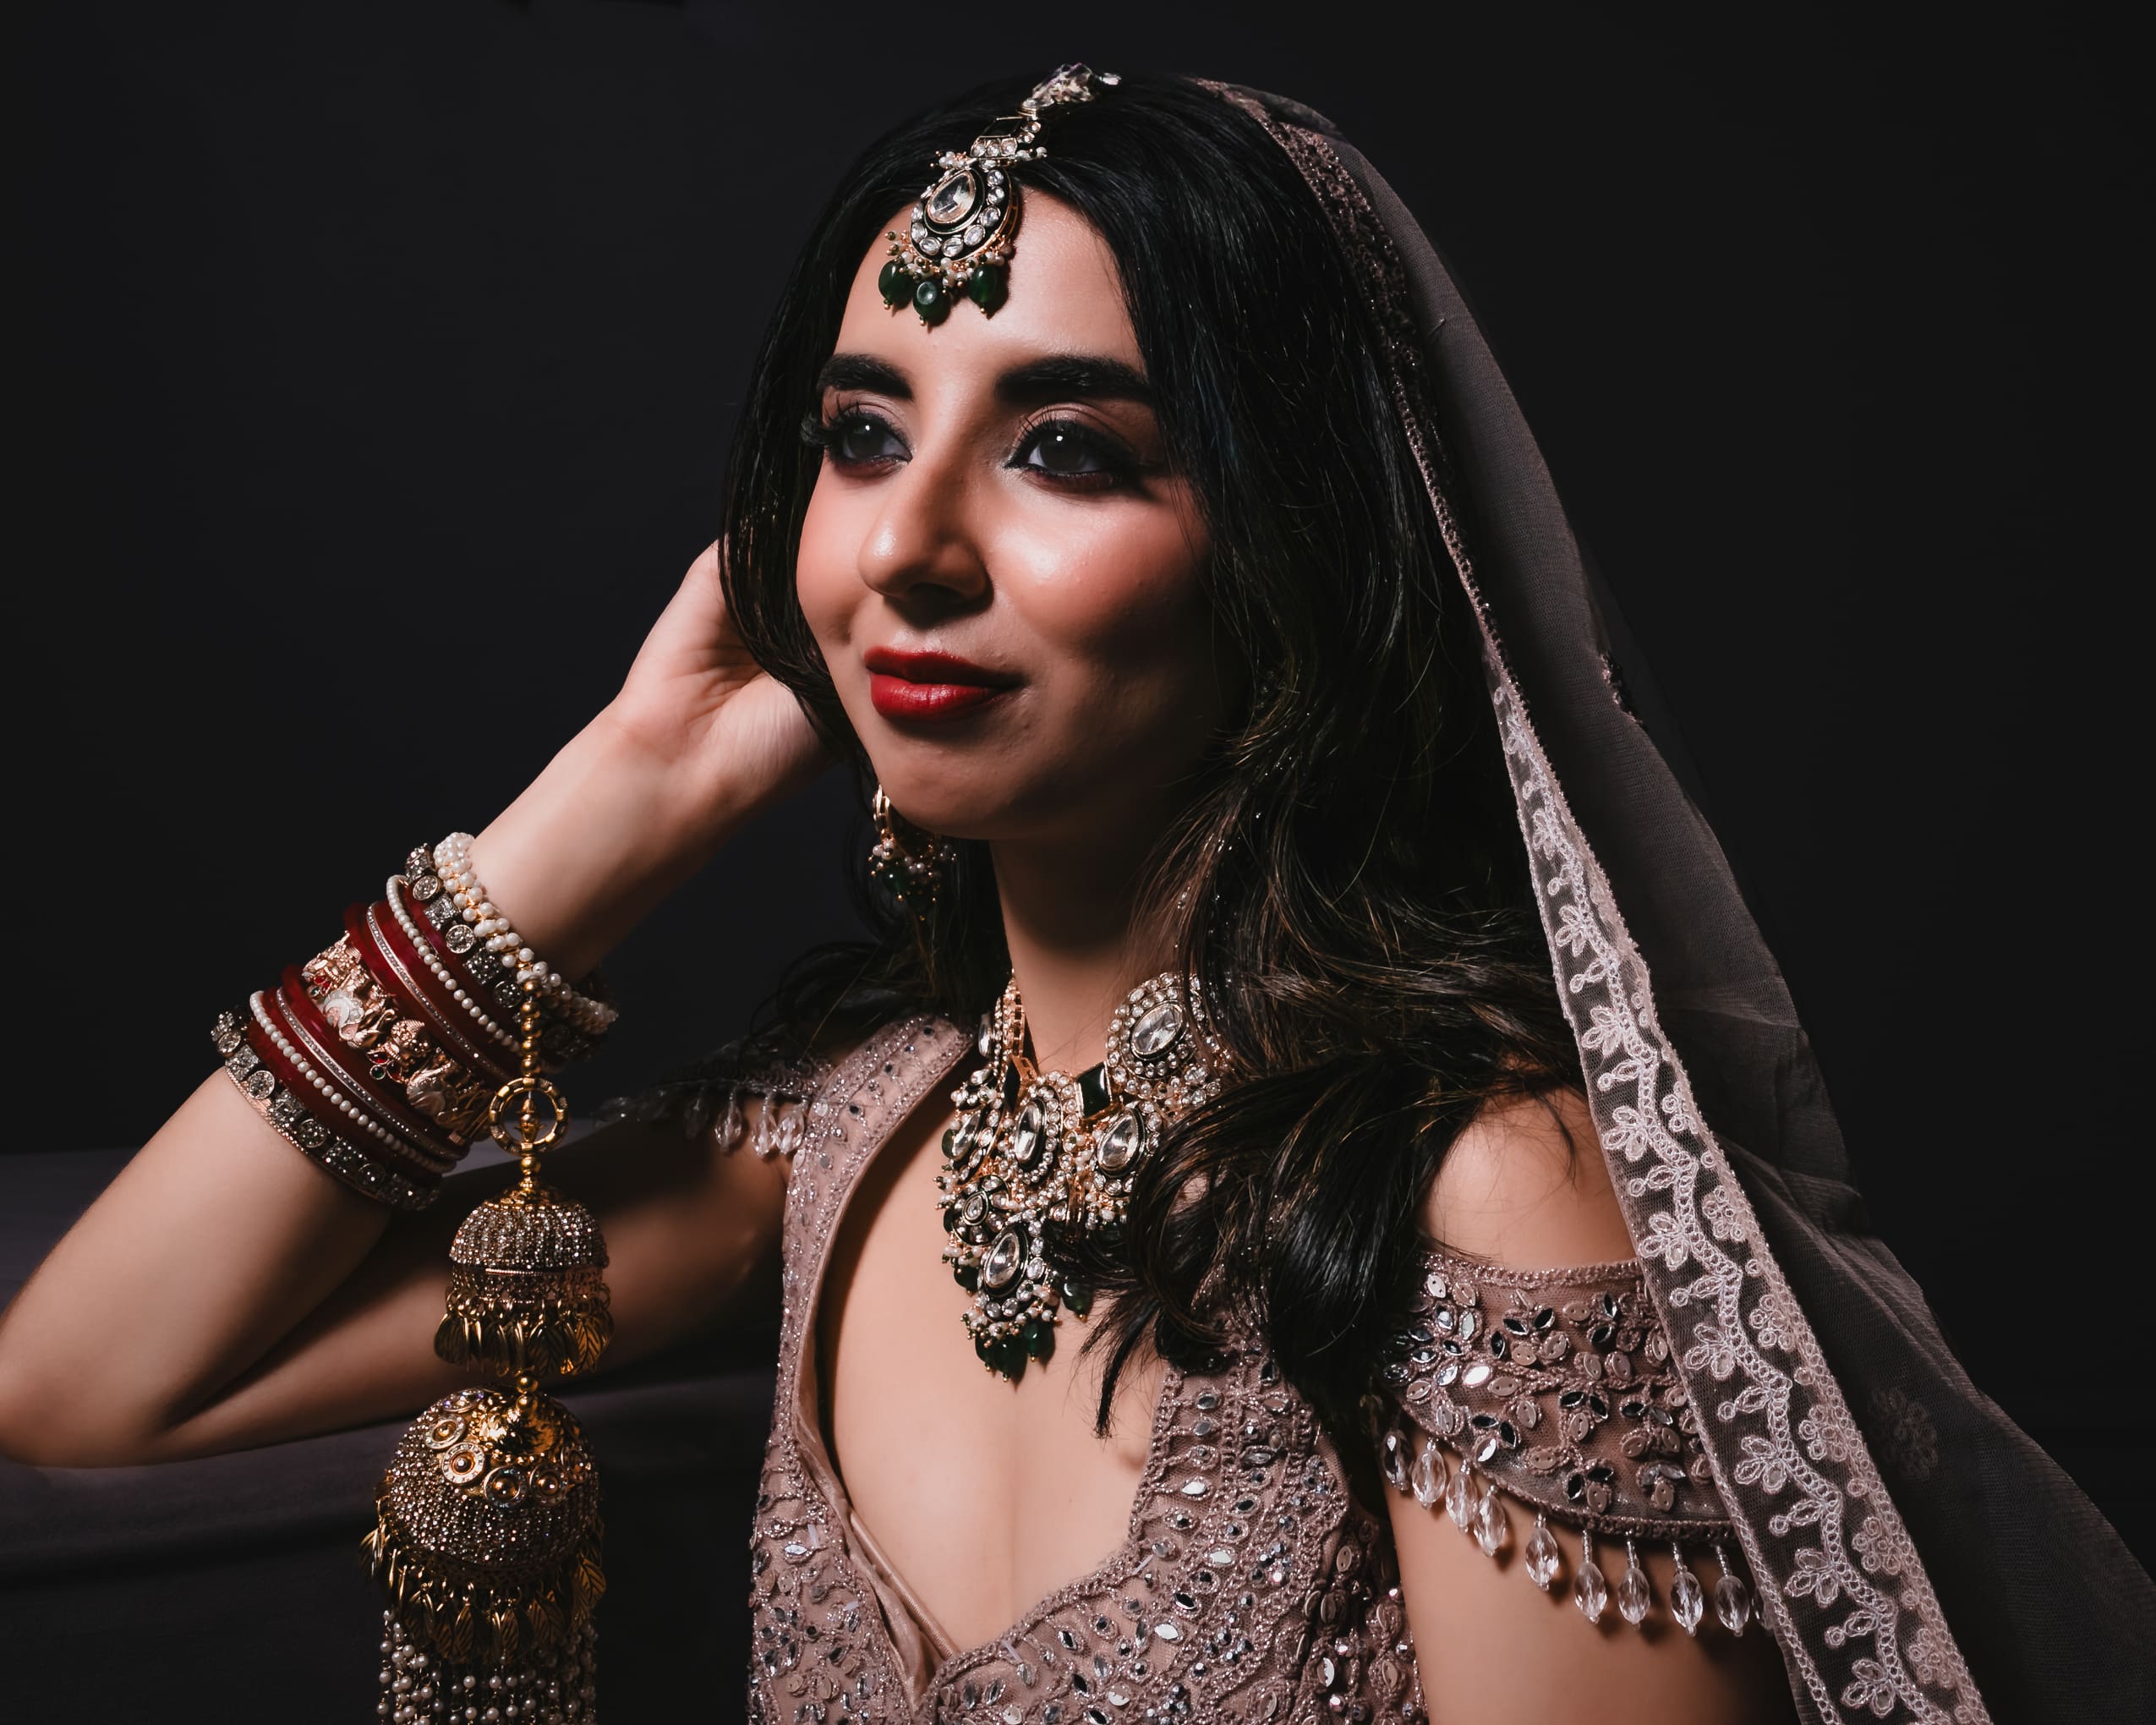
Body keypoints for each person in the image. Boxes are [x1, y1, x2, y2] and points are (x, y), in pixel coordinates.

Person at [0, 66, 2144, 1725]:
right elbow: (100, 1380)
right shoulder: (845, 1136)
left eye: (1067, 448)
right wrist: (619, 800)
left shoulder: (1475, 1196)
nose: (908, 547)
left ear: (1290, 545)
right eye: (858, 435)